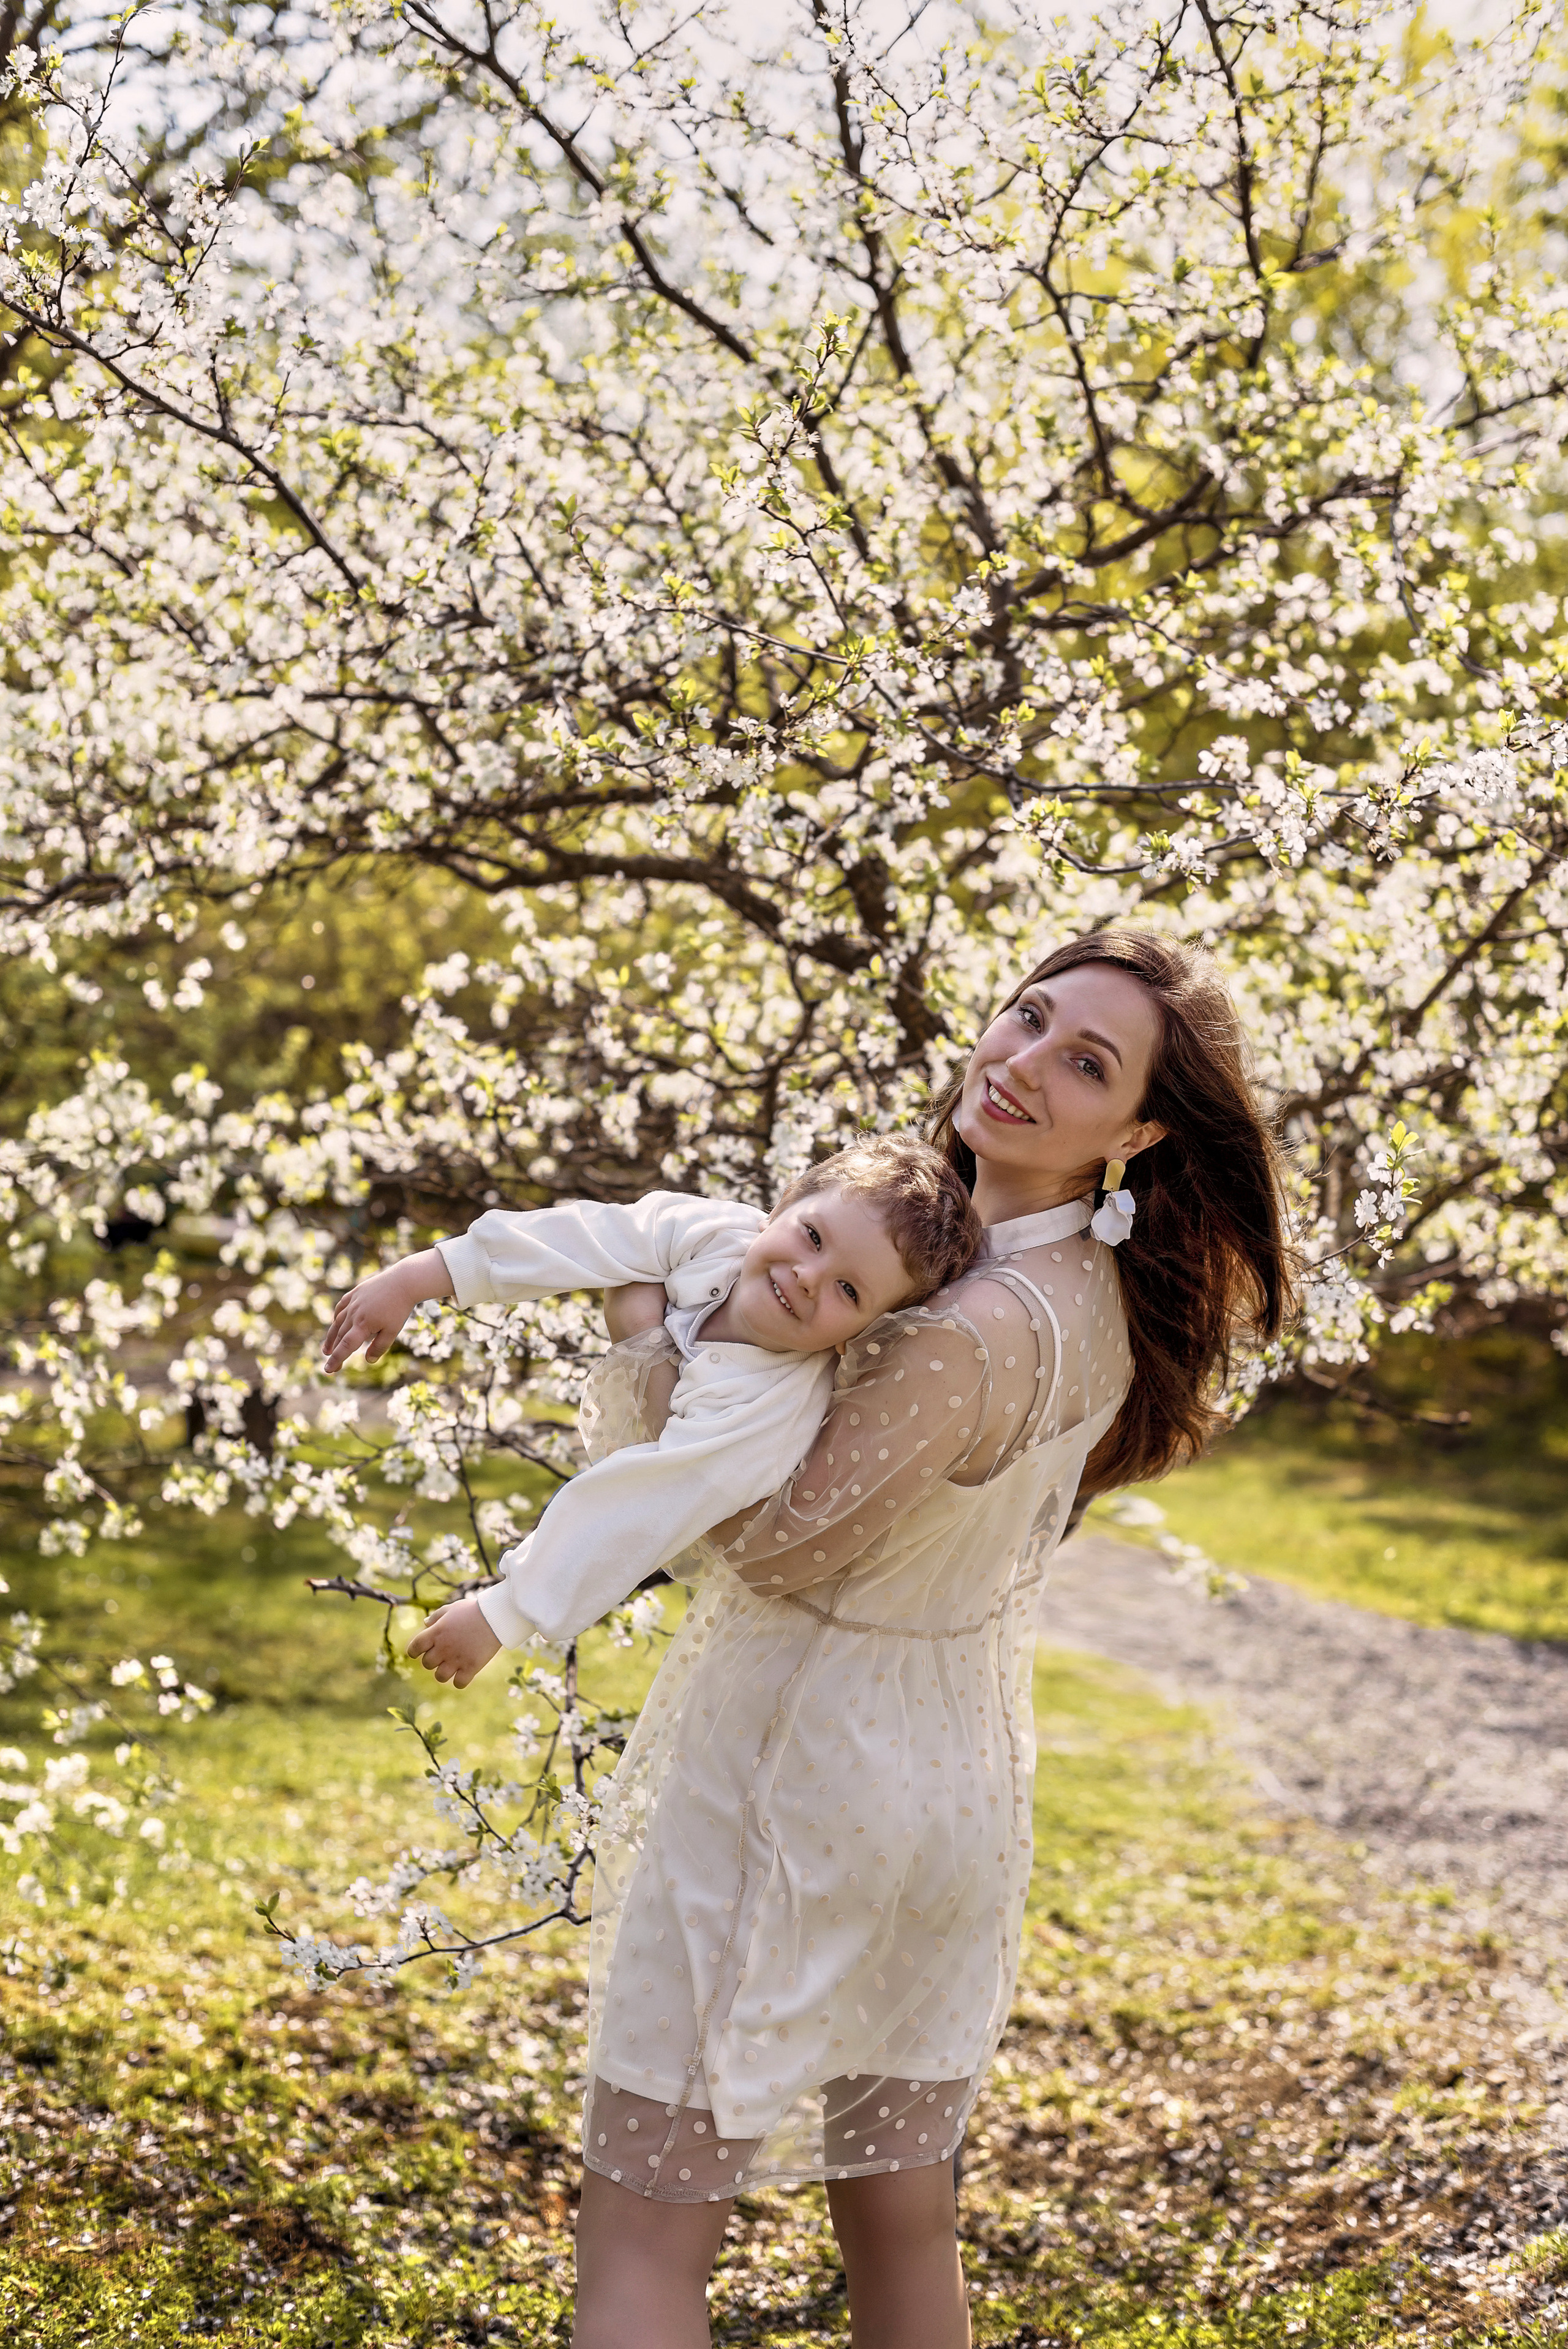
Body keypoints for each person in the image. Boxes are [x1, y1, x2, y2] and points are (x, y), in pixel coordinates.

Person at [333, 929, 1296, 2349]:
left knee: (645, 2237)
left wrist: (647, 1336)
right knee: (900, 2219)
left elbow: (764, 1539)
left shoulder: (960, 1328)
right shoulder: (1093, 1297)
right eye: (1026, 1017)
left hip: (796, 1782)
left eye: (1082, 1061)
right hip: (950, 1787)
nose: (1020, 1061)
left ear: (1139, 1128)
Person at [321, 1137, 982, 1660]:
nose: (808, 1278)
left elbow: (640, 1501)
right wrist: (421, 1277)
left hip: (704, 1506)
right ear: (782, 1204)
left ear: (861, 1338)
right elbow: (585, 1236)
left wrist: (507, 1611)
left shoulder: (767, 1413)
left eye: (849, 1291)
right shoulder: (718, 1233)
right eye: (811, 1236)